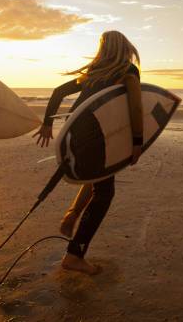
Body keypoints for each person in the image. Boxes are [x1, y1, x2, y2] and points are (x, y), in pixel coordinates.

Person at [33, 30, 143, 275]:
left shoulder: (94, 73)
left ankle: (72, 215)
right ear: (126, 48)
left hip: (76, 132)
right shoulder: (128, 71)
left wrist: (47, 124)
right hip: (97, 134)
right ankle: (74, 255)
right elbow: (136, 107)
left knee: (98, 175)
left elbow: (58, 92)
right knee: (105, 192)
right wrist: (137, 142)